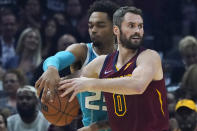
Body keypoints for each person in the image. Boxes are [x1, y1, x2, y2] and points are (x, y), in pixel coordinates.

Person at [58, 6, 169, 131]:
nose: (137, 30)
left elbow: (137, 85)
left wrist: (90, 83)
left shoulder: (149, 57)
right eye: (131, 25)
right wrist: (52, 79)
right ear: (116, 30)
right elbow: (71, 82)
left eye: (140, 26)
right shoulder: (101, 63)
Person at [35, 1, 118, 130]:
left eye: (100, 25)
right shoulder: (83, 51)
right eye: (90, 26)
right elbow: (55, 59)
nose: (94, 30)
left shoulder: (131, 57)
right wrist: (51, 69)